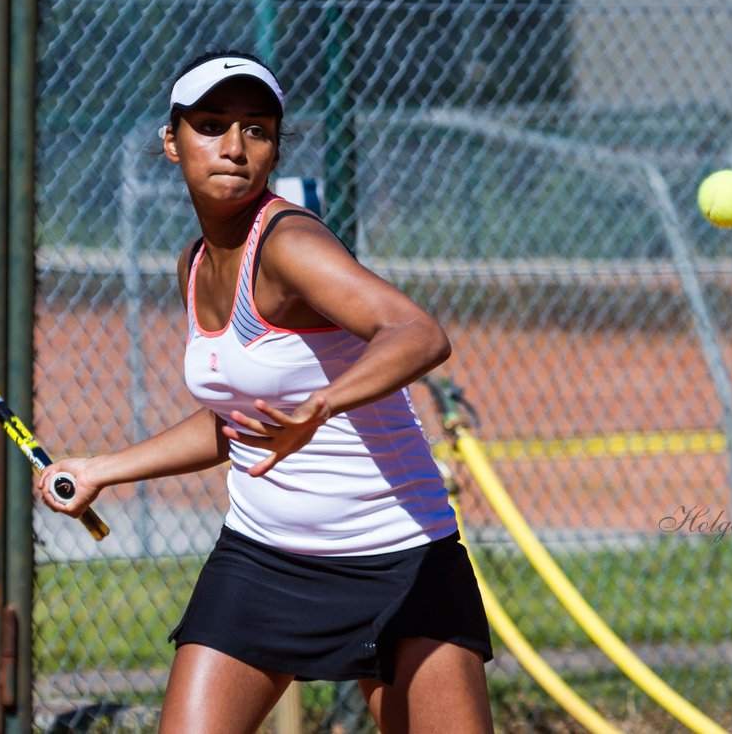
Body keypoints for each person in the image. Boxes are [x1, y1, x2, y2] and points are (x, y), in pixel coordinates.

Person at [39, 49, 494, 733]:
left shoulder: (290, 243)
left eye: (255, 129)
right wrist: (103, 470)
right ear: (172, 142)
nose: (233, 146)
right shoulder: (192, 266)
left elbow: (417, 331)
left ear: (275, 147)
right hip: (262, 559)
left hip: (395, 557)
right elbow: (237, 421)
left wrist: (322, 405)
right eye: (211, 124)